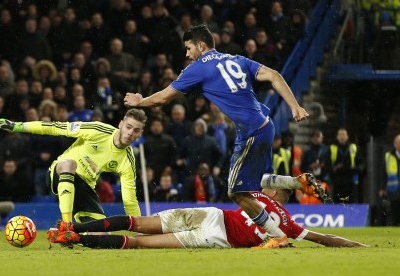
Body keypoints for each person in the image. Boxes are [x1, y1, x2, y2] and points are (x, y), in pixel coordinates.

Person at [124, 24, 318, 248]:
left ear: (201, 45)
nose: (187, 54)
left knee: (236, 192)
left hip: (250, 130)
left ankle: (275, 236)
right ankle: (297, 182)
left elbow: (162, 99)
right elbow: (274, 75)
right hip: (266, 124)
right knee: (253, 184)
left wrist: (141, 101)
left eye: (188, 48)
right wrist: (295, 107)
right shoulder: (238, 59)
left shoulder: (197, 68)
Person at [46, 188, 367, 249]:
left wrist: (295, 180)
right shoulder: (290, 224)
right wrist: (357, 245)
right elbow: (325, 239)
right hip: (215, 235)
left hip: (213, 222)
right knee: (140, 242)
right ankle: (75, 235)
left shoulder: (255, 194)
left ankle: (71, 229)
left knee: (137, 225)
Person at [0, 109, 147, 225]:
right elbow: (56, 127)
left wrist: (142, 230)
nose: (130, 133)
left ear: (140, 134)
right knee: (69, 164)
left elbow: (129, 200)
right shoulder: (97, 130)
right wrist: (16, 126)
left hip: (84, 189)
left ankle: (75, 234)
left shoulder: (128, 160)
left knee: (99, 234)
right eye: (128, 127)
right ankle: (66, 225)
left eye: (136, 130)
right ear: (121, 124)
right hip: (59, 172)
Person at [379, 134, 400, 225]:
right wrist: (382, 188)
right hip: (394, 189)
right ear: (394, 144)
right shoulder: (388, 156)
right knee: (394, 212)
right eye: (398, 142)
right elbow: (384, 173)